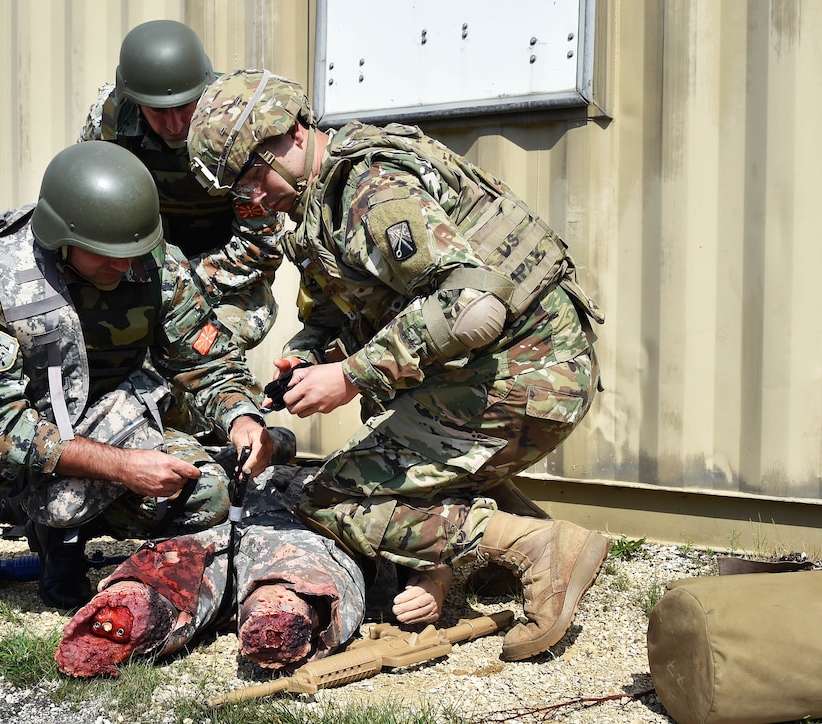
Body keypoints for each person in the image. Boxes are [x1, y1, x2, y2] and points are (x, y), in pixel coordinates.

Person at [185, 70, 610, 661]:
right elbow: (343, 315)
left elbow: (474, 309)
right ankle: (493, 546)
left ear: (295, 135)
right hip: (507, 373)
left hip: (528, 377)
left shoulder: (371, 191)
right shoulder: (323, 205)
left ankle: (532, 548)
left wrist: (351, 376)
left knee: (330, 497)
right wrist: (308, 357)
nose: (255, 198)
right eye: (241, 190)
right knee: (384, 458)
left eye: (255, 174)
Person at [0, 141, 273, 683]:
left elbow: (206, 363)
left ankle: (62, 538)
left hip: (105, 421)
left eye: (132, 251)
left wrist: (241, 417)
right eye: (105, 253)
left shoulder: (155, 265)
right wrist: (121, 467)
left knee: (209, 492)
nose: (122, 266)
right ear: (61, 236)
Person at [77, 20, 287, 356]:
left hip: (225, 281)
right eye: (158, 111)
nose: (174, 125)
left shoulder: (236, 128)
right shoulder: (111, 123)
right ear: (134, 100)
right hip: (135, 273)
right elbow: (87, 215)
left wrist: (178, 282)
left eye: (185, 108)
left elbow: (260, 247)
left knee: (201, 352)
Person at [55, 464, 366, 678]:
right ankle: (135, 608)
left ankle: (285, 609)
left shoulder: (340, 471)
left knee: (301, 577)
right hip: (235, 529)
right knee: (174, 564)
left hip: (302, 534)